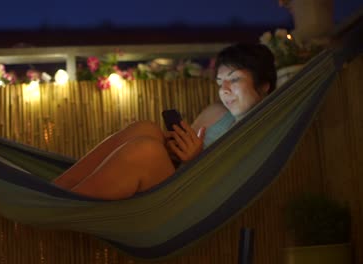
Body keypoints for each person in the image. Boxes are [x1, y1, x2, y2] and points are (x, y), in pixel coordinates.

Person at [53, 43, 277, 200]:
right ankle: (57, 189)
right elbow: (177, 161)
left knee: (146, 150)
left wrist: (194, 161)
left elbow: (229, 192)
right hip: (172, 187)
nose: (224, 90)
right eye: (220, 83)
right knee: (146, 129)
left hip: (190, 204)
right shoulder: (216, 113)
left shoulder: (265, 134)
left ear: (264, 85)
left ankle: (63, 205)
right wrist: (175, 150)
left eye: (234, 80)